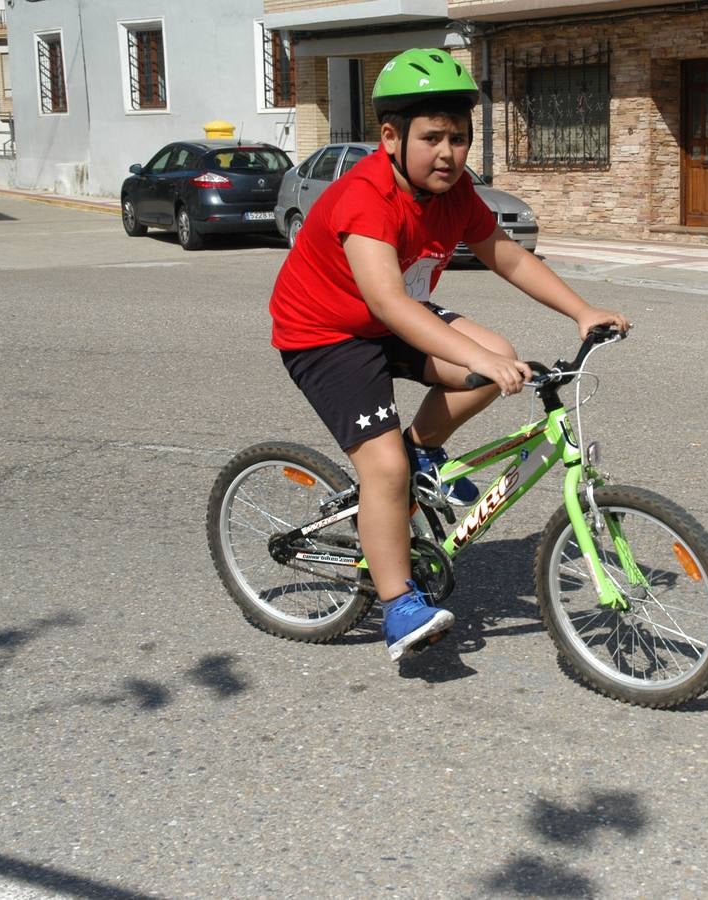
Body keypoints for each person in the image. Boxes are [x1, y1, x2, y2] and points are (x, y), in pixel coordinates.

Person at [268, 48, 629, 664]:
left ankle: (420, 452)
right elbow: (388, 303)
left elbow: (508, 256)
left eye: (459, 138)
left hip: (388, 318)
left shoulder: (456, 192)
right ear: (390, 137)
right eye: (432, 136)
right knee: (384, 469)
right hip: (326, 334)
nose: (448, 152)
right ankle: (398, 602)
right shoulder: (366, 199)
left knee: (497, 358)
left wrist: (581, 311)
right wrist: (473, 359)